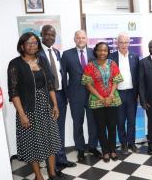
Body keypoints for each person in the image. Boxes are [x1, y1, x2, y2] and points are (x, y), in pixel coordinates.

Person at [7, 32, 61, 180]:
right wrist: (22, 114)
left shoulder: (42, 60)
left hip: (46, 107)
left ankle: (52, 173)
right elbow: (13, 92)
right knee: (32, 143)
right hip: (28, 110)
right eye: (29, 43)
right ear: (22, 46)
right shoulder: (15, 64)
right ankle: (38, 176)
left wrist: (55, 105)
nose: (32, 46)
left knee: (51, 140)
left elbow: (50, 85)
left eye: (35, 43)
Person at [38, 25, 76, 170]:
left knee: (59, 129)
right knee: (49, 132)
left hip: (60, 95)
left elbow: (60, 74)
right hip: (46, 97)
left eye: (53, 35)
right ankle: (52, 167)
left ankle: (61, 159)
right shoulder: (37, 53)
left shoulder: (56, 52)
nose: (50, 37)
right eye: (47, 34)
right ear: (41, 35)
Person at [61, 30, 101, 162]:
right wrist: (67, 94)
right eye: (78, 38)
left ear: (87, 39)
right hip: (75, 95)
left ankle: (93, 147)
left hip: (93, 94)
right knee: (78, 123)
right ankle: (80, 149)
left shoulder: (94, 53)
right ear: (74, 39)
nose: (81, 40)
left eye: (83, 37)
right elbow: (63, 76)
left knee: (93, 122)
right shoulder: (67, 54)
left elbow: (99, 73)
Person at [82, 42, 123, 162]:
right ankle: (105, 151)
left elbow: (116, 81)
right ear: (96, 51)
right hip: (97, 100)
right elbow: (88, 85)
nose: (102, 53)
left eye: (105, 50)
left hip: (113, 100)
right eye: (100, 50)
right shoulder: (90, 65)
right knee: (100, 127)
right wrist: (101, 98)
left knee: (112, 126)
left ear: (108, 52)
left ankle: (112, 150)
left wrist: (110, 96)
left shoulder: (112, 63)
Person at [109, 33, 140, 155]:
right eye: (121, 42)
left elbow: (137, 76)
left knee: (131, 121)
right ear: (117, 43)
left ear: (129, 43)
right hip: (117, 94)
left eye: (126, 42)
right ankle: (123, 144)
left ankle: (132, 143)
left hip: (131, 93)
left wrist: (138, 94)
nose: (123, 45)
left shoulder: (135, 56)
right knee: (120, 121)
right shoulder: (111, 57)